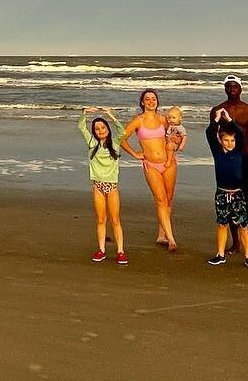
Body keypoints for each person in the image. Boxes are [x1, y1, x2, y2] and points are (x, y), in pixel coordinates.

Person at [119, 88, 181, 251]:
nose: (151, 101)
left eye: (153, 99)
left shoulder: (163, 119)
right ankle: (171, 238)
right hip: (151, 165)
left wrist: (176, 142)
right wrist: (135, 153)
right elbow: (121, 138)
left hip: (169, 163)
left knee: (168, 198)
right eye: (147, 99)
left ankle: (162, 234)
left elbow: (176, 133)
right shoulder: (138, 121)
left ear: (157, 102)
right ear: (142, 102)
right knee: (160, 199)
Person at [212, 74, 248, 254]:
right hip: (229, 162)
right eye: (229, 87)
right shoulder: (218, 110)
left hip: (247, 161)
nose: (232, 90)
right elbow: (214, 135)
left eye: (235, 87)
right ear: (225, 89)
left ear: (240, 89)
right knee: (230, 201)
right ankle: (235, 243)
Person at [204, 116, 248, 269]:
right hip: (221, 194)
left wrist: (229, 119)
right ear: (220, 140)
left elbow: (240, 133)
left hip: (237, 194)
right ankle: (220, 255)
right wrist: (215, 119)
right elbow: (209, 133)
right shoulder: (217, 152)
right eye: (226, 140)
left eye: (232, 141)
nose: (230, 143)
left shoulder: (238, 151)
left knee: (243, 225)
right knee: (222, 224)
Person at [77, 107, 128, 265]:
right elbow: (81, 127)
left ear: (107, 129)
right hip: (97, 186)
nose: (100, 130)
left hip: (112, 186)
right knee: (101, 219)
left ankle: (120, 251)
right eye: (97, 128)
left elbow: (123, 131)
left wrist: (110, 115)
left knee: (115, 219)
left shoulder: (115, 143)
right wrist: (85, 112)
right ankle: (101, 250)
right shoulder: (92, 144)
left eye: (103, 127)